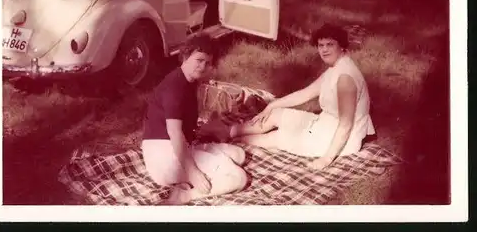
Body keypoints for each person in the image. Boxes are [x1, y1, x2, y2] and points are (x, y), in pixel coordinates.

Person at [210, 24, 375, 170]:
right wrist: (271, 106)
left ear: (342, 47)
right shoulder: (335, 68)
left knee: (276, 137)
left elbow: (346, 124)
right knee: (276, 115)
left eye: (330, 45)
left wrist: (326, 159)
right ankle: (229, 132)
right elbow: (305, 93)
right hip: (324, 125)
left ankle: (232, 140)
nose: (324, 50)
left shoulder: (345, 78)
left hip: (338, 139)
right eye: (320, 45)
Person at [141, 33, 248, 205]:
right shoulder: (174, 87)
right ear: (185, 56)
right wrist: (193, 172)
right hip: (164, 156)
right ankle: (185, 195)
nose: (203, 66)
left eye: (207, 63)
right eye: (199, 60)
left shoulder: (189, 82)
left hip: (177, 147)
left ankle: (204, 170)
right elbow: (174, 132)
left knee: (239, 155)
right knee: (238, 177)